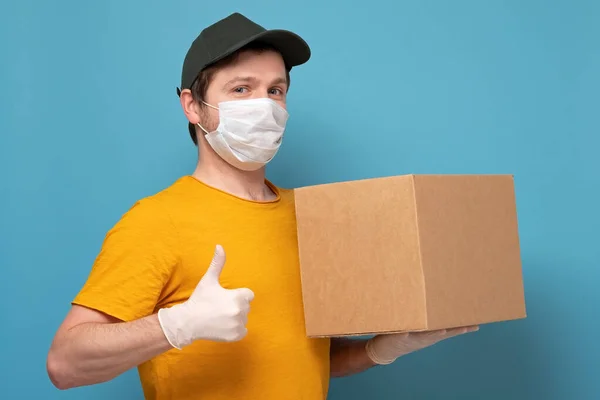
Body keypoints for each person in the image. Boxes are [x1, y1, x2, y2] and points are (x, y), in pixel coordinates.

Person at [46, 12, 478, 400]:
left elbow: (303, 362)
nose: (264, 107)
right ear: (193, 106)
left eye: (276, 90)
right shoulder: (157, 221)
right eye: (241, 89)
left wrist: (380, 349)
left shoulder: (314, 217)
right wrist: (176, 326)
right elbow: (64, 365)